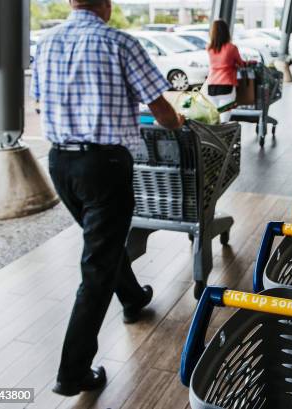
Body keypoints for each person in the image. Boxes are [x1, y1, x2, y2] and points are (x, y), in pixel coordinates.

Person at [30, 0, 185, 396]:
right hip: (104, 165)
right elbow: (160, 108)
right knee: (97, 266)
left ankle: (133, 298)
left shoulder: (46, 43)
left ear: (70, 3)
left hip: (60, 163)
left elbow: (40, 100)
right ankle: (73, 372)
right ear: (107, 5)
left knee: (104, 241)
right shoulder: (120, 42)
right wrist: (176, 122)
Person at [206, 19, 245, 121]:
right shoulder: (231, 48)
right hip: (226, 86)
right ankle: (223, 136)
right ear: (226, 32)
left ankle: (213, 136)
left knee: (215, 118)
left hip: (211, 86)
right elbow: (241, 64)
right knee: (224, 118)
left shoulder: (209, 48)